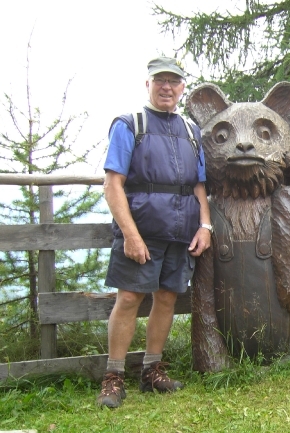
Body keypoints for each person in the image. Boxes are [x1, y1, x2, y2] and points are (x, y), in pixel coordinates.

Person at [97, 57, 212, 408]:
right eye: (159, 80)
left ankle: (152, 371)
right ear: (147, 84)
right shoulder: (130, 125)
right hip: (142, 231)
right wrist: (131, 235)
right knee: (130, 299)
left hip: (182, 231)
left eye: (174, 82)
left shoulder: (192, 131)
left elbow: (198, 186)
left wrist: (205, 225)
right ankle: (113, 377)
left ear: (182, 88)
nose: (166, 87)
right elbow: (113, 184)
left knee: (166, 299)